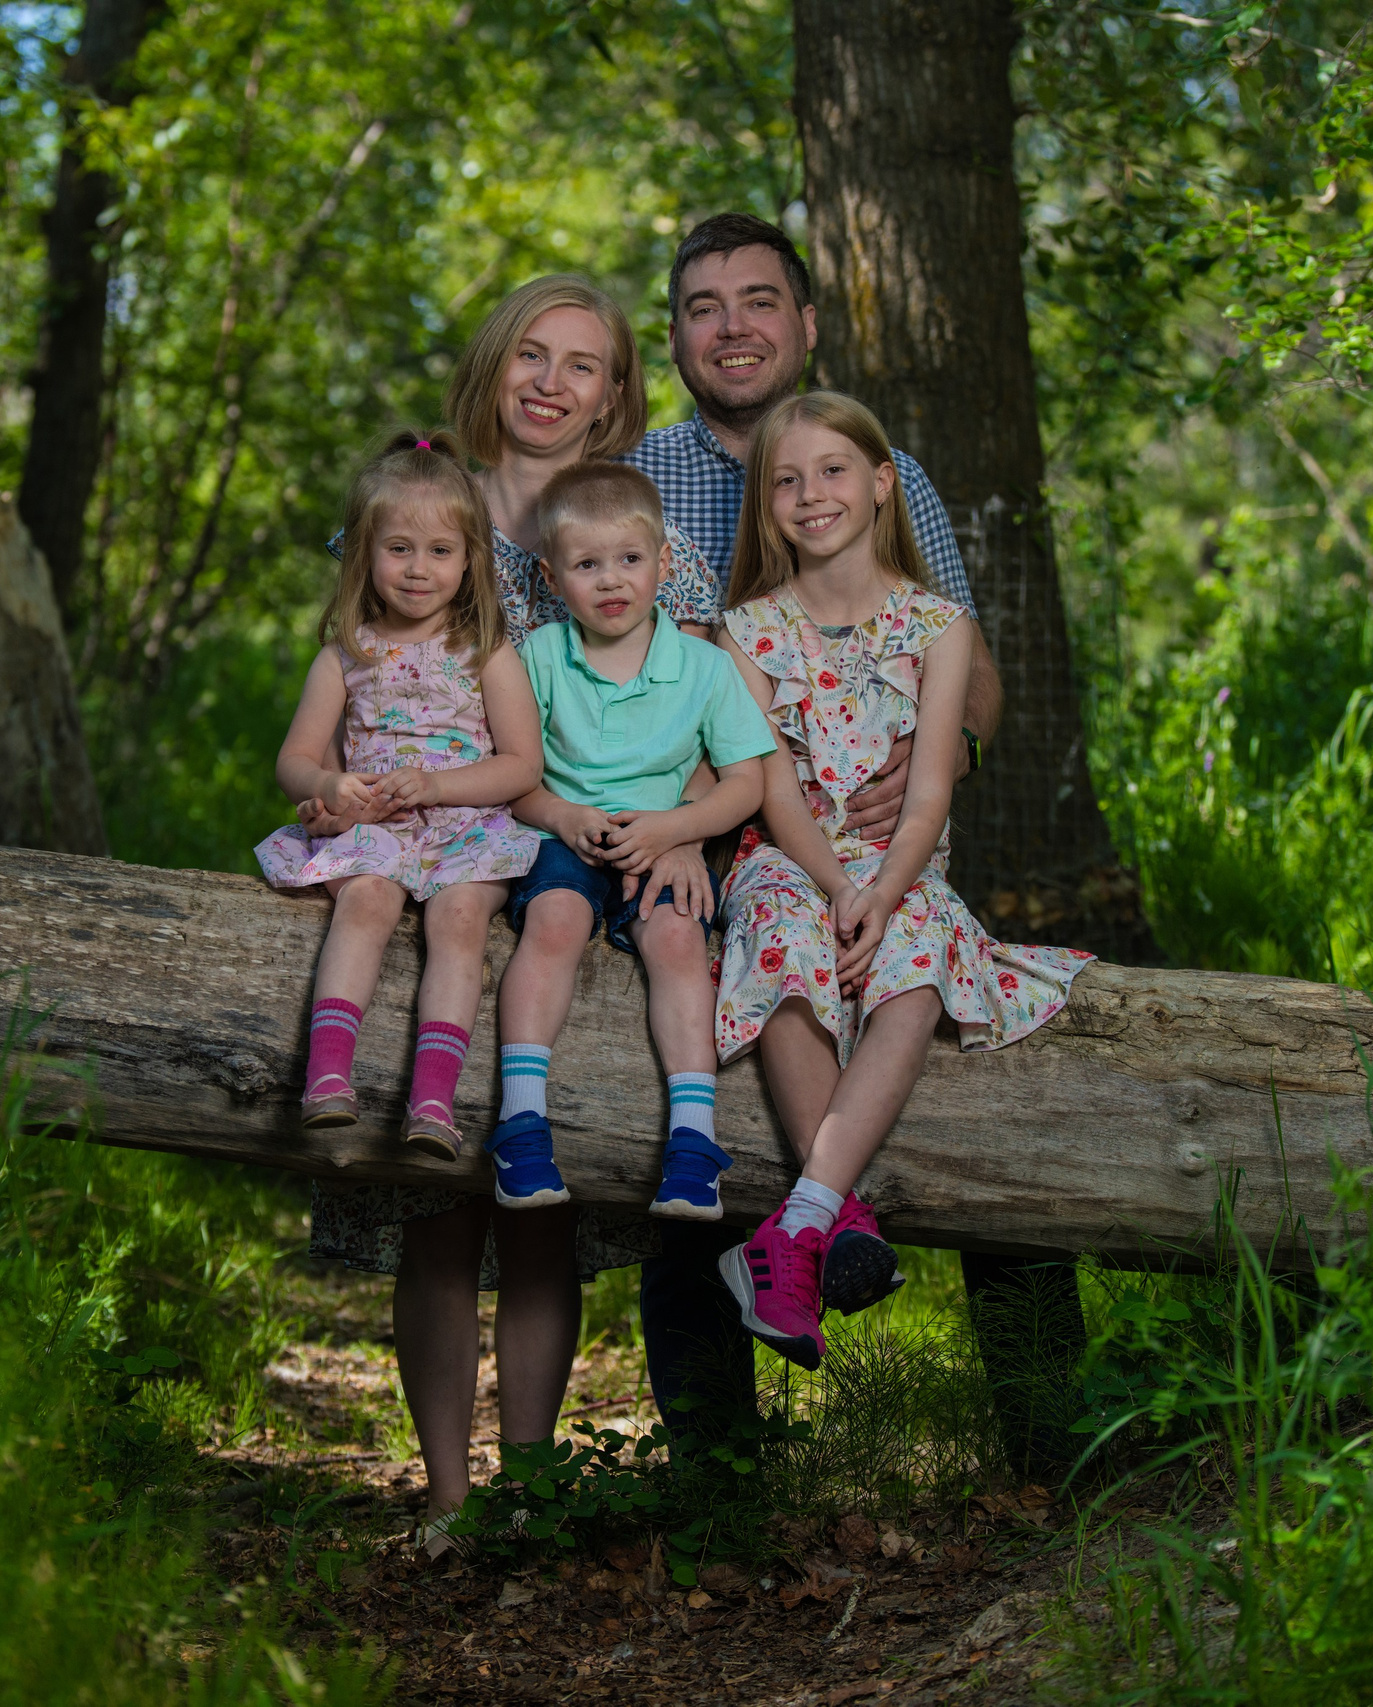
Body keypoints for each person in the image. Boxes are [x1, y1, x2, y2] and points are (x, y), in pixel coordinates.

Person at [709, 392, 1094, 1369]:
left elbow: (927, 794)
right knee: (784, 945)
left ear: (883, 484)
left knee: (918, 956)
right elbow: (771, 790)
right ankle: (833, 1225)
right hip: (789, 859)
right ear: (766, 506)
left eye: (834, 470)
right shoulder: (746, 632)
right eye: (786, 480)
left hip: (901, 867)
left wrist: (880, 893)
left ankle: (800, 1224)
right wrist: (836, 885)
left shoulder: (937, 625)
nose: (811, 494)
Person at [257, 432, 569, 1557]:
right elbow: (296, 759)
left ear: (471, 558)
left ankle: (433, 1092)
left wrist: (437, 781)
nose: (420, 568)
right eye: (400, 548)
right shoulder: (343, 654)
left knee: (460, 918)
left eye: (442, 550)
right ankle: (330, 1074)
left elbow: (521, 767)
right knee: (366, 900)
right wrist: (333, 787)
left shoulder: (488, 648)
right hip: (381, 831)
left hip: (462, 824)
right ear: (366, 555)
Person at [485, 461, 772, 1221]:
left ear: (664, 564)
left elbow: (746, 783)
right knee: (554, 922)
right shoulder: (538, 658)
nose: (611, 580)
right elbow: (514, 776)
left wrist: (678, 831)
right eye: (586, 565)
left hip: (664, 840)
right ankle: (520, 1122)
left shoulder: (705, 668)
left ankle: (694, 1140)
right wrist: (559, 816)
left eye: (630, 559)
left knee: (679, 939)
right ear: (552, 578)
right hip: (565, 834)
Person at [443, 273, 725, 645]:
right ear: (493, 366)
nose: (548, 384)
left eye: (580, 367)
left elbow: (692, 679)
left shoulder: (651, 547)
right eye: (531, 355)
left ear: (608, 399)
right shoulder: (422, 515)